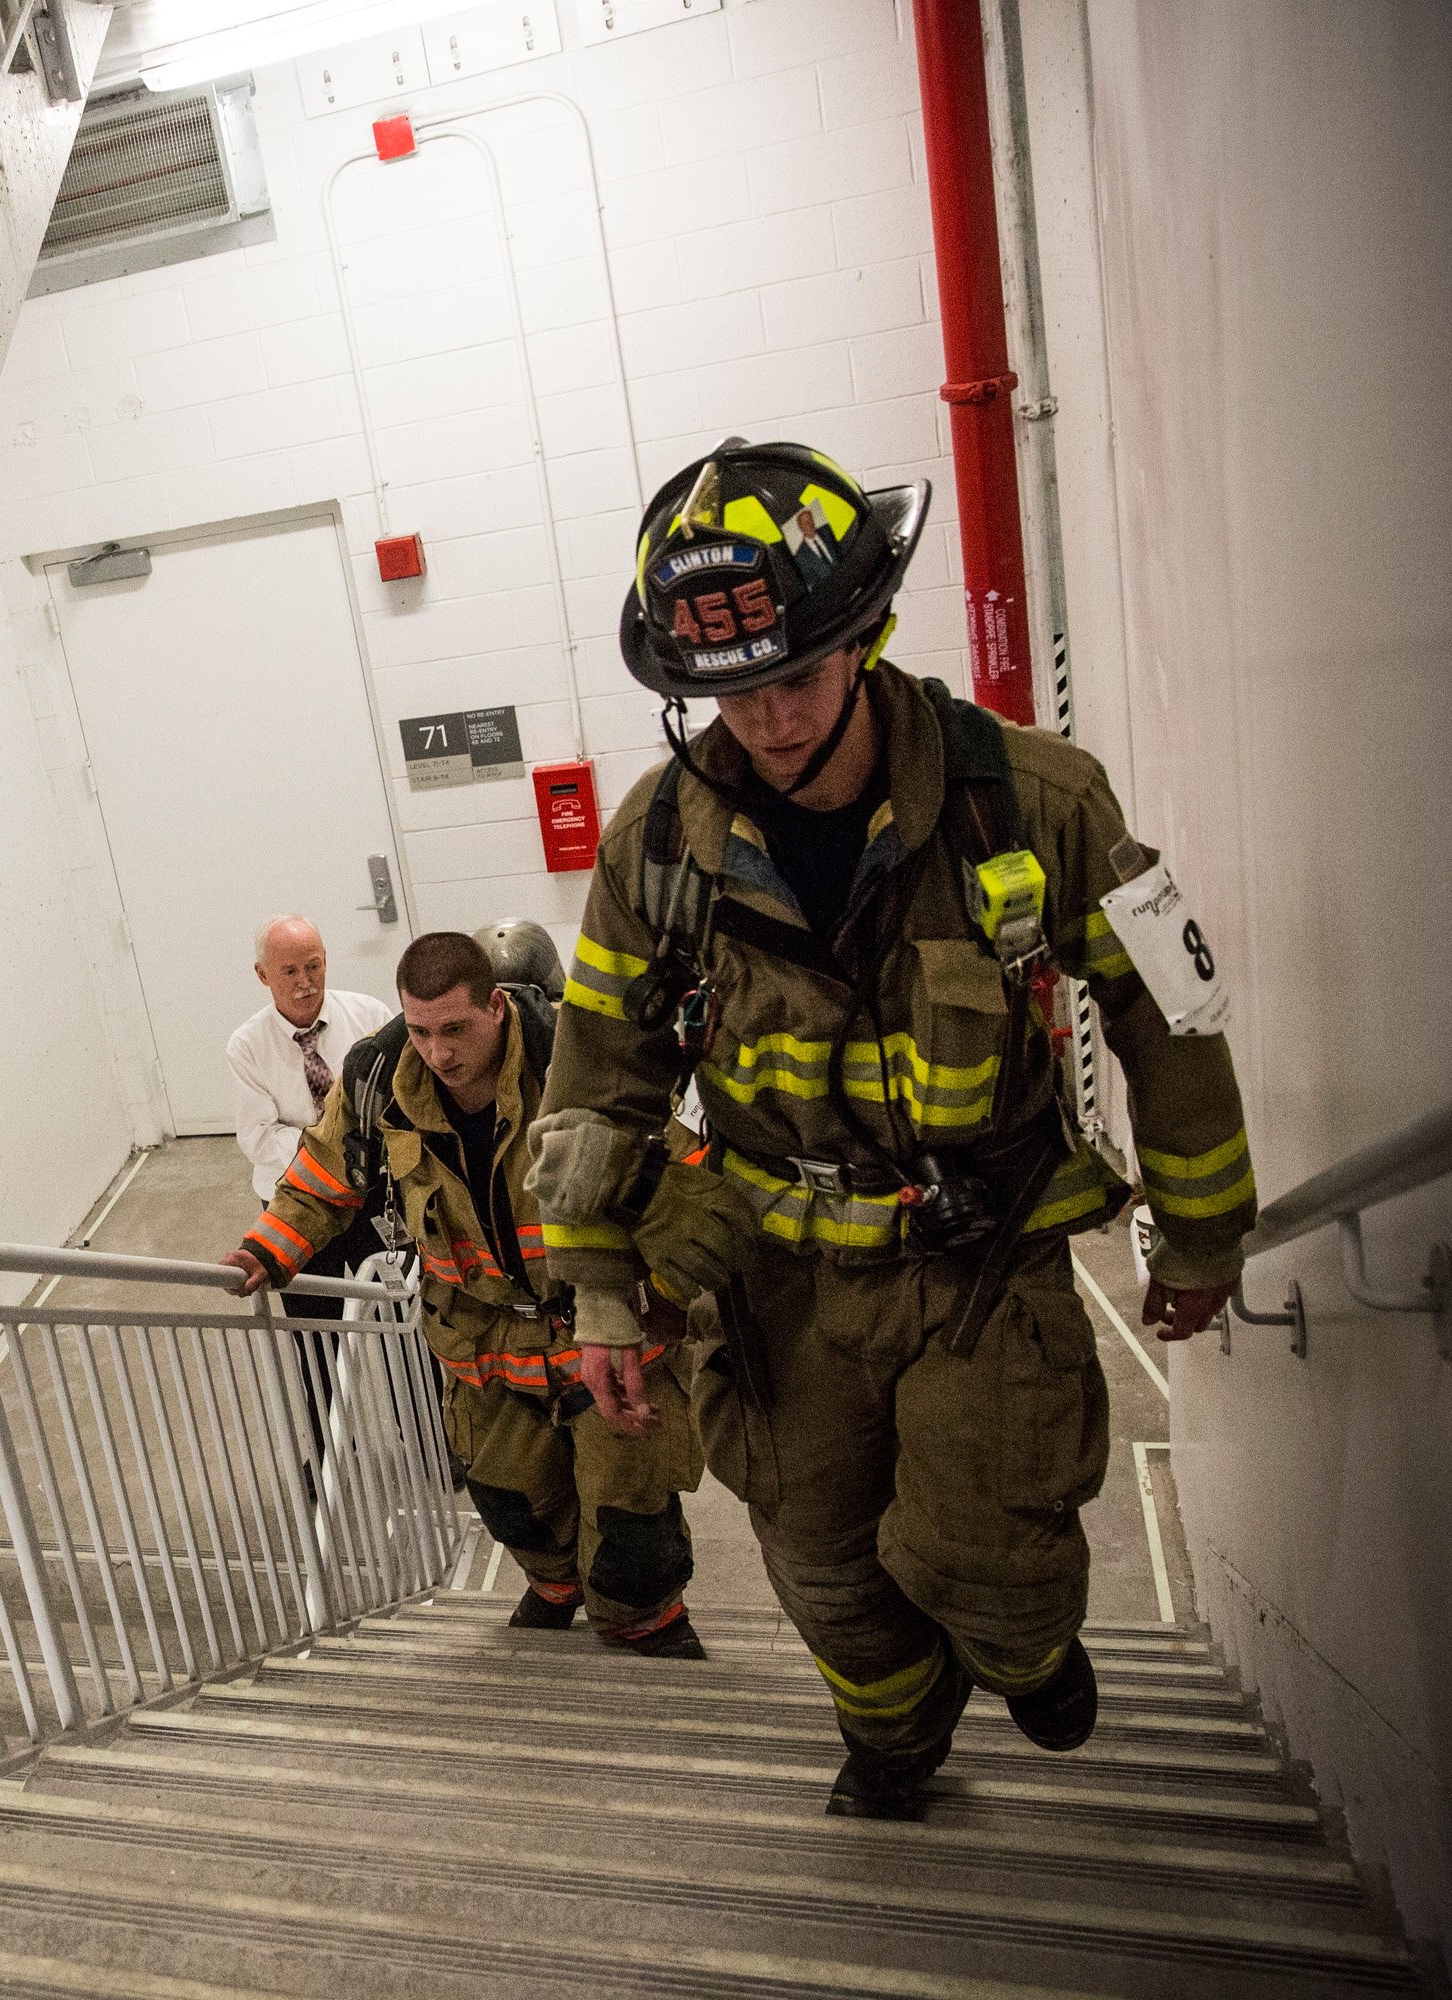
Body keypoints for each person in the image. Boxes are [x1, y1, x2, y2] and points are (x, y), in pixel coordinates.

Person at [531, 439, 1252, 1819]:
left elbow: (1165, 1016)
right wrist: (605, 1306)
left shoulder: (1033, 801)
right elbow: (600, 1075)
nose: (769, 722)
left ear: (865, 634)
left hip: (987, 1262)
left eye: (794, 678)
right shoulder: (659, 845)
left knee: (988, 1556)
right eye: (728, 694)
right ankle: (897, 1736)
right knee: (823, 1564)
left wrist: (1203, 1231)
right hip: (776, 1280)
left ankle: (1020, 1647)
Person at [223, 931, 709, 1658]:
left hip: (601, 1332)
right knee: (512, 1500)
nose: (438, 1053)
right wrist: (268, 1249)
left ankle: (643, 1623)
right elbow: (324, 1176)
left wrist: (671, 1296)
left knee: (629, 1516)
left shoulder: (585, 1068)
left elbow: (689, 1189)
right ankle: (553, 1588)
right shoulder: (379, 1080)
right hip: (482, 1344)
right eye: (420, 1031)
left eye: (455, 1030)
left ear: (497, 1007)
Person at [226, 913, 394, 1321]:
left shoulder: (371, 1017)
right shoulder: (247, 1046)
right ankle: (326, 1388)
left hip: (374, 1188)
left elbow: (398, 1108)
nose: (306, 981)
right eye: (289, 971)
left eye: (313, 965)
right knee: (315, 1324)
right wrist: (337, 1146)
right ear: (263, 975)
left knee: (400, 1307)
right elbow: (259, 1138)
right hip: (295, 1197)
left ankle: (415, 1385)